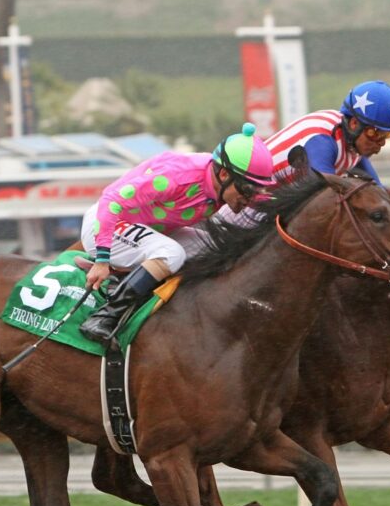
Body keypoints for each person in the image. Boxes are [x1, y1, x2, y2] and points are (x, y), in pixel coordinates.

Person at [78, 122, 275, 342]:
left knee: (219, 246)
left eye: (257, 189)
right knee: (172, 252)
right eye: (248, 190)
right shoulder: (176, 177)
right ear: (223, 174)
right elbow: (111, 202)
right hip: (106, 225)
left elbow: (267, 201)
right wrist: (102, 260)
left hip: (148, 232)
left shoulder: (225, 185)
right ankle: (105, 316)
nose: (251, 199)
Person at [265, 80, 390, 184]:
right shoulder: (322, 139)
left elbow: (379, 192)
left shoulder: (354, 144)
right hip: (253, 197)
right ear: (354, 123)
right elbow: (325, 191)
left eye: (387, 135)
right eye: (374, 133)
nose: (381, 143)